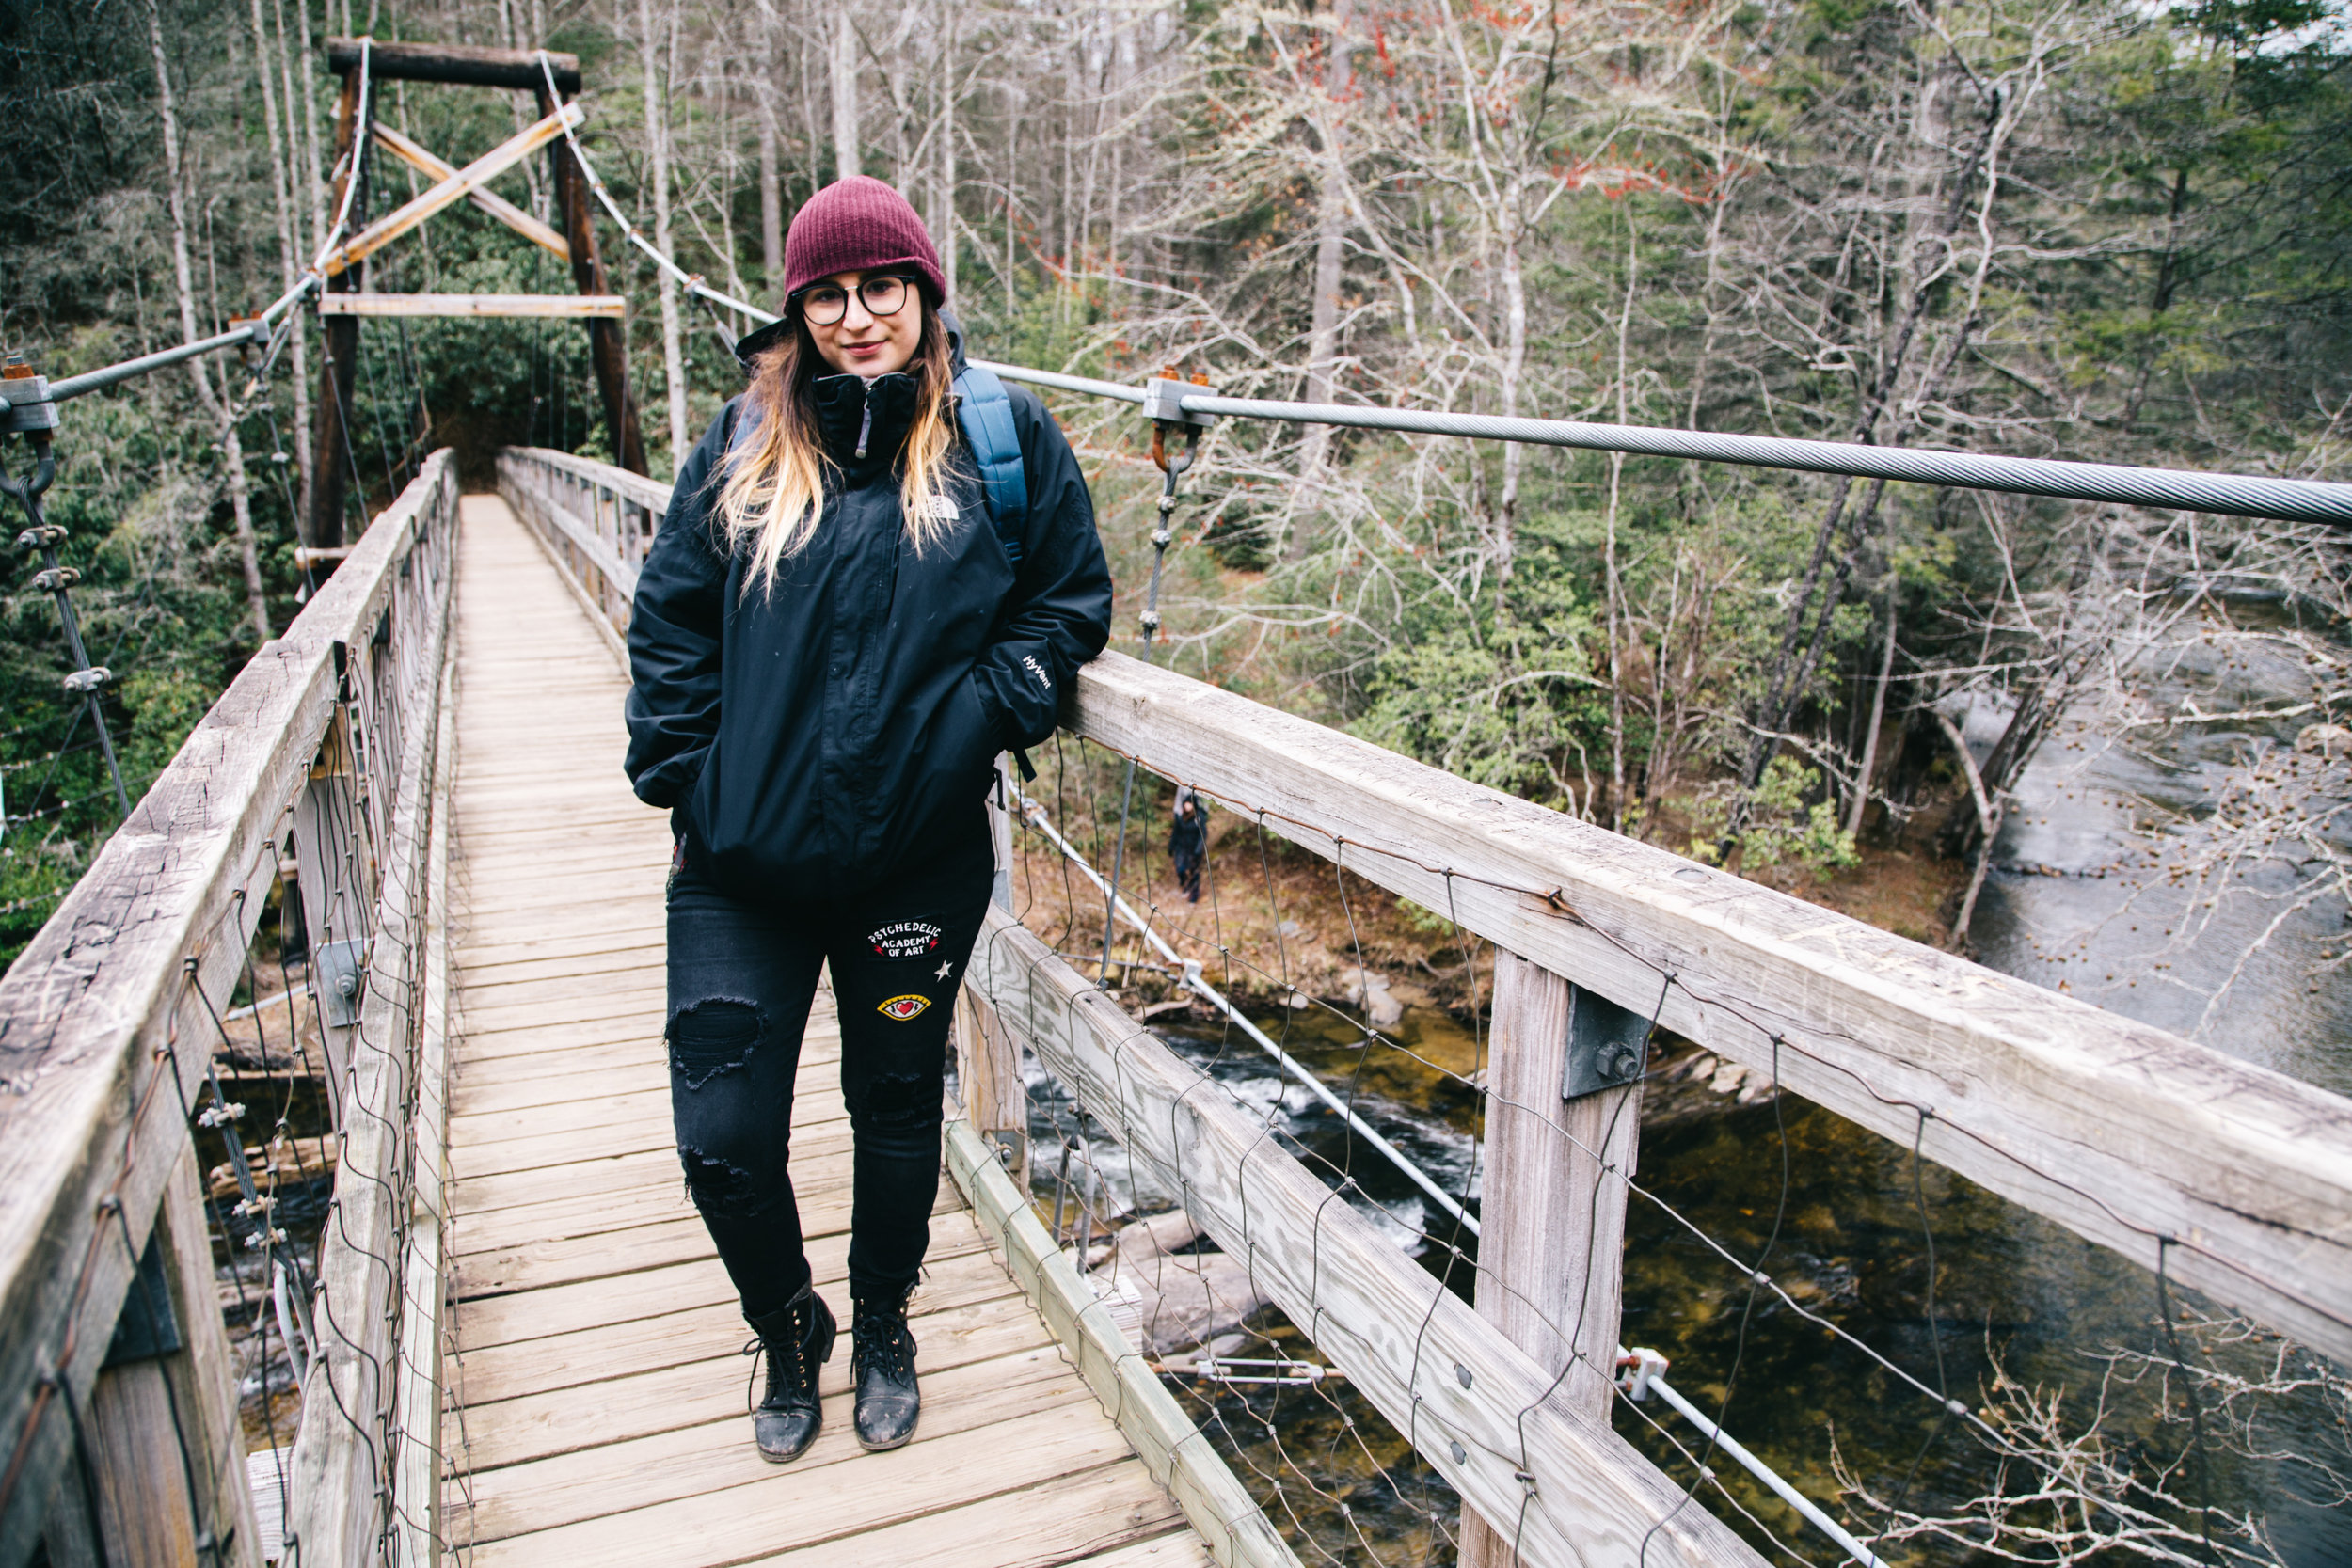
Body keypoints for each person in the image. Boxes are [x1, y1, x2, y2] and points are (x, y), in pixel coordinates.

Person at [622, 176, 1113, 1463]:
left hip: (916, 860)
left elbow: (1069, 601)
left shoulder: (1002, 444)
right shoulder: (740, 445)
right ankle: (790, 1328)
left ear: (925, 293)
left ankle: (887, 1318)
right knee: (722, 1139)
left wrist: (989, 710)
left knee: (896, 1109)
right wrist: (685, 771)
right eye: (826, 294)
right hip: (738, 868)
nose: (856, 317)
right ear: (797, 311)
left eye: (880, 287)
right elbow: (671, 613)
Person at [1169, 787, 1206, 903]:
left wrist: (1198, 849)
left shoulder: (1199, 818)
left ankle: (1194, 896)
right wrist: (1171, 845)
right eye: (1186, 803)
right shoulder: (1181, 817)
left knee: (1194, 872)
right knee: (1180, 869)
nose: (1187, 806)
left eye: (1189, 804)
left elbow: (1203, 835)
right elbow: (1175, 832)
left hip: (1193, 849)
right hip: (1181, 848)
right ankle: (1185, 887)